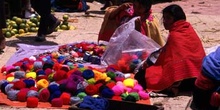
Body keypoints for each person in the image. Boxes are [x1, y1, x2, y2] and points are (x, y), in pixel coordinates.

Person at [134, 4, 206, 96]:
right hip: (197, 78)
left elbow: (171, 63)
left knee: (141, 76)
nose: (164, 21)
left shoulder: (174, 35)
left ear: (176, 19)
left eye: (168, 18)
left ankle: (172, 88)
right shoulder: (188, 29)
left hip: (183, 79)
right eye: (164, 18)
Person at [98, 0, 165, 47]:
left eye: (140, 7)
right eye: (135, 6)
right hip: (118, 46)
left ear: (147, 8)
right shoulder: (127, 11)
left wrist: (139, 25)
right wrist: (119, 8)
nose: (136, 9)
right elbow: (111, 17)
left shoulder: (150, 22)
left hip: (135, 51)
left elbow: (146, 41)